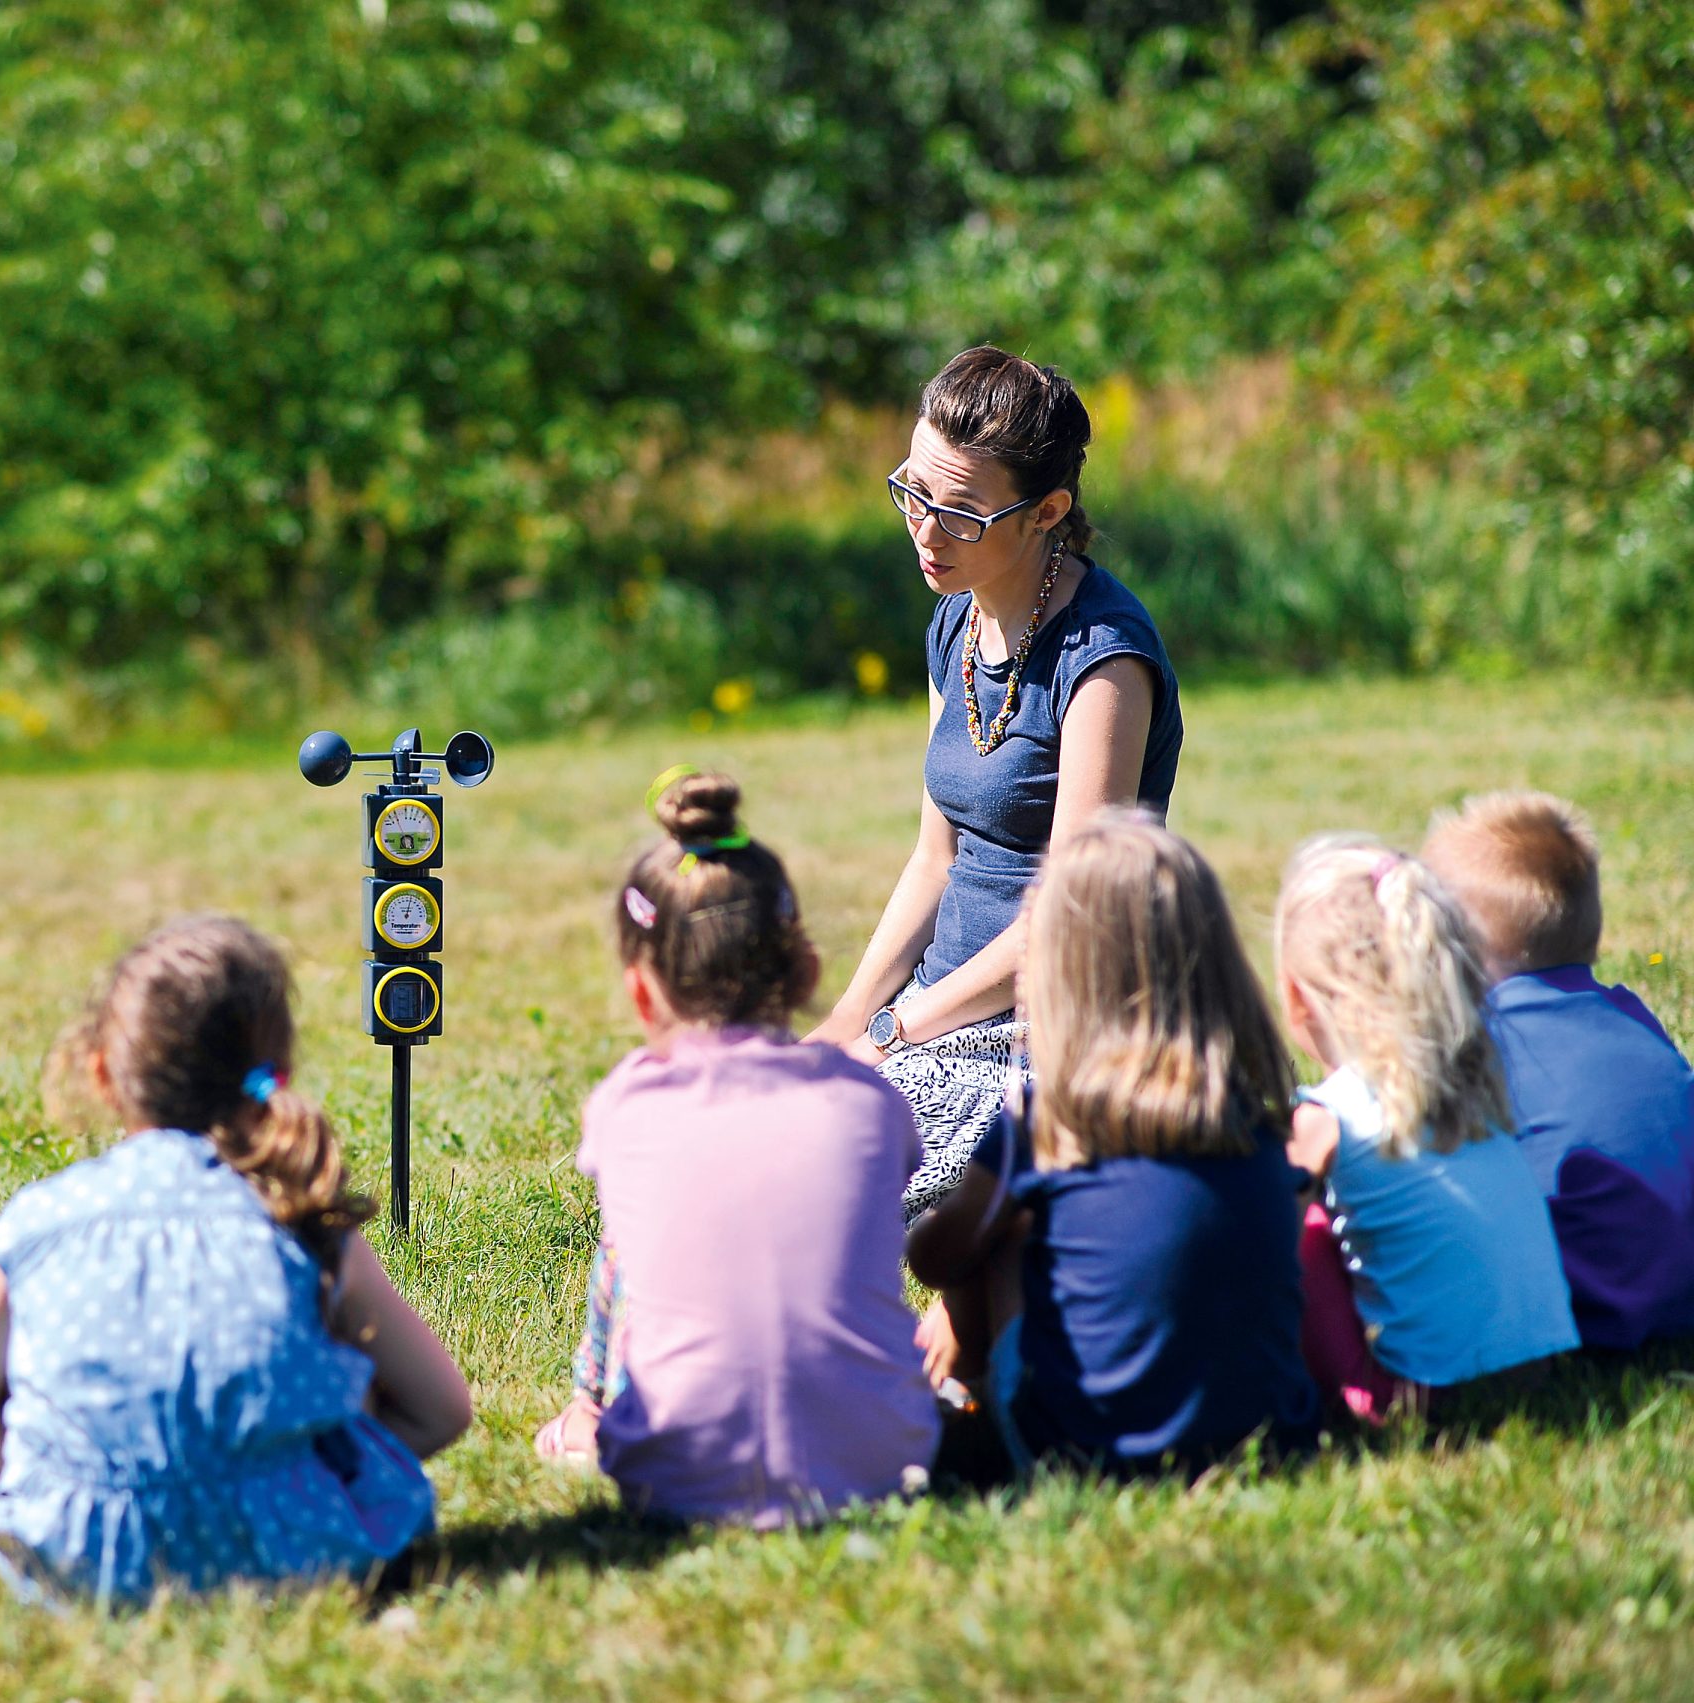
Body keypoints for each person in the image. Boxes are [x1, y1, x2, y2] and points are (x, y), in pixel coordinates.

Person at [0, 915, 470, 1605]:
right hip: (294, 1552)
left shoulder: (41, 1219)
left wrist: (63, 1473)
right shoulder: (303, 1221)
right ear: (275, 1073)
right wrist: (321, 1465)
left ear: (102, 1073)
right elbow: (441, 1410)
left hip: (81, 1557)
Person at [806, 346, 1184, 1221]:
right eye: (914, 493)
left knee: (833, 1183)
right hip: (939, 1011)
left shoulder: (1103, 660)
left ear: (1047, 511)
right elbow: (933, 858)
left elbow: (1073, 915)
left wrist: (894, 1034)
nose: (927, 531)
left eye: (962, 514)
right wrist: (848, 1021)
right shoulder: (954, 618)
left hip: (1055, 1026)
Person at [532, 771, 938, 1521]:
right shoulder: (871, 1104)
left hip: (676, 1473)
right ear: (806, 970)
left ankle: (587, 1413)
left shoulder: (626, 1108)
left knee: (623, 1247)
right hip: (885, 1460)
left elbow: (622, 1272)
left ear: (642, 992)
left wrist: (591, 1400)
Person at [906, 812, 1320, 1477]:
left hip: (1083, 1453)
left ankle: (965, 1408)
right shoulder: (1257, 1115)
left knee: (1003, 1237)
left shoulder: (1046, 1124)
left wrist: (945, 1218)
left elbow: (936, 1260)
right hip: (1274, 1435)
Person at [1274, 837, 1579, 1422]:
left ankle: (1347, 1396)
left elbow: (1265, 1246)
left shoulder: (1325, 1115)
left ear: (1296, 996)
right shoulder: (1477, 1080)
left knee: (1302, 1225)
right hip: (1540, 1372)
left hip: (1415, 1401)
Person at [1423, 792, 1694, 1351]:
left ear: (1455, 951)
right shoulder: (1631, 1015)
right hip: (1682, 1292)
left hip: (1576, 1313)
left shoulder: (1479, 1046)